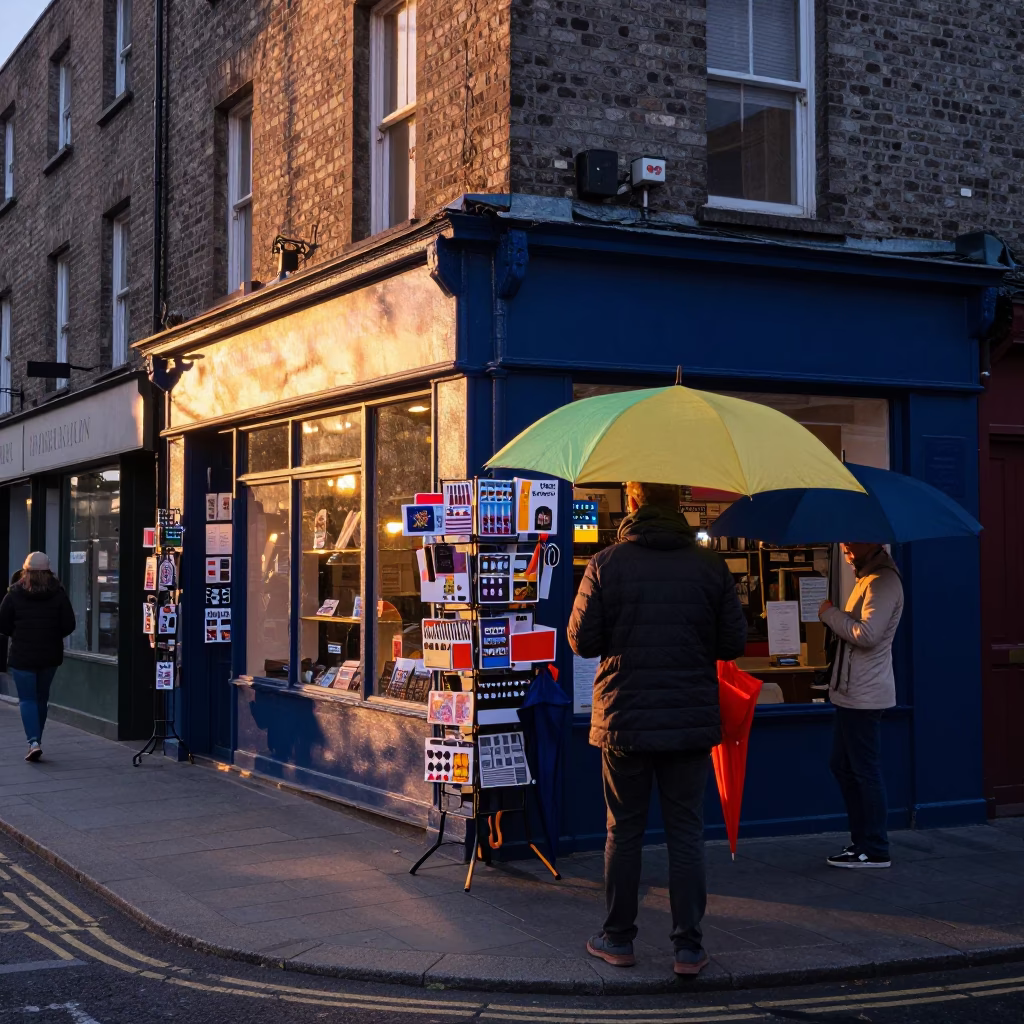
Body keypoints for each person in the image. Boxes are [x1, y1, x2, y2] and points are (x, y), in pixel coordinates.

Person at [568, 481, 747, 976]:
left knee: (623, 831)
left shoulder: (606, 563)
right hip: (688, 719)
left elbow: (582, 642)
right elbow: (733, 643)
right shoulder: (710, 566)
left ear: (632, 501)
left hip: (624, 717)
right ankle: (688, 947)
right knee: (686, 832)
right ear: (679, 503)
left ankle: (617, 939)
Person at [818, 542, 904, 869]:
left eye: (851, 542)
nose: (845, 548)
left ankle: (875, 847)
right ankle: (862, 843)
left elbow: (867, 634)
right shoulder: (868, 578)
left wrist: (830, 614)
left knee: (864, 770)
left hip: (864, 694)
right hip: (851, 691)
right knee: (843, 765)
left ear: (870, 542)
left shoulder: (883, 581)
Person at [0, 552, 76, 762]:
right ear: (49, 571)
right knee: (41, 698)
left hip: (22, 654)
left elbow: (3, 624)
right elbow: (69, 624)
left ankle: (34, 742)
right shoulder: (58, 594)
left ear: (25, 571)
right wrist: (53, 634)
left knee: (27, 699)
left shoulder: (14, 594)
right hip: (49, 654)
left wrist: (17, 633)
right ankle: (36, 740)